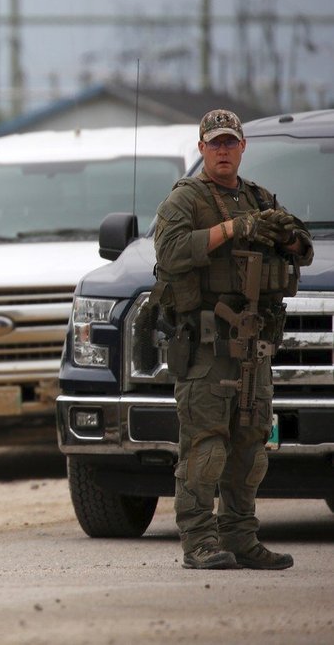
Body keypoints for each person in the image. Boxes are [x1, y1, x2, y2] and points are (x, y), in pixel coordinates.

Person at [153, 109, 313, 570]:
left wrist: (290, 240)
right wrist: (234, 229)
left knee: (250, 448)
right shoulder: (185, 199)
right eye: (215, 143)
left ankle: (242, 538)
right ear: (201, 149)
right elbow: (170, 251)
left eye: (230, 143)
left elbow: (304, 247)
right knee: (205, 447)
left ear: (243, 148)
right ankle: (199, 541)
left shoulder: (260, 198)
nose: (223, 151)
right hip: (207, 348)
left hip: (253, 347)